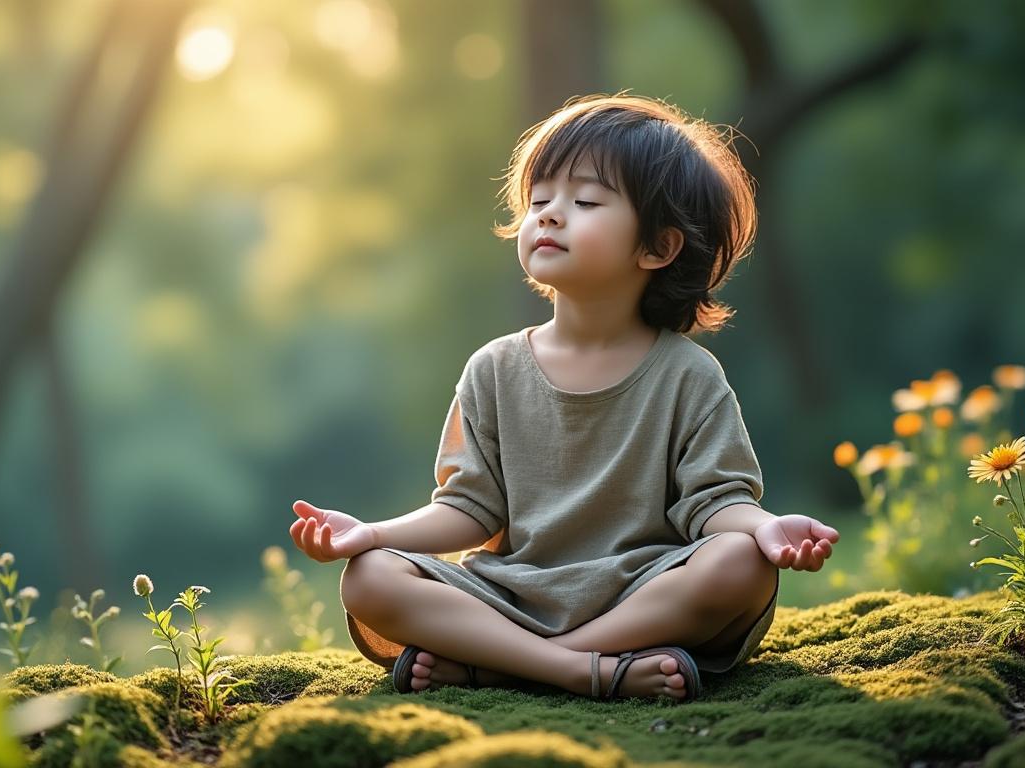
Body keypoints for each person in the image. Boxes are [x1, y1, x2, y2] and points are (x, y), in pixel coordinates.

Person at [288, 92, 839, 702]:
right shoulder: (493, 369)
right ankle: (583, 671)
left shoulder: (689, 375)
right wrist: (369, 534)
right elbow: (469, 511)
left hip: (641, 596)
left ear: (656, 247)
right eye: (539, 199)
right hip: (512, 594)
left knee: (741, 564)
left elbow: (714, 504)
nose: (549, 215)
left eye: (584, 201)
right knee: (369, 578)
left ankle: (509, 665)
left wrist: (766, 530)